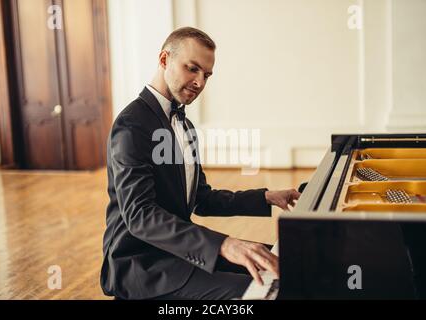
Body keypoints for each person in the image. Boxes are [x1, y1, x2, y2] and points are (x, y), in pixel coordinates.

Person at [100, 27, 301, 300]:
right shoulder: (131, 125)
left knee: (289, 266)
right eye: (192, 69)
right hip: (143, 266)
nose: (199, 82)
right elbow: (140, 216)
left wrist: (266, 197)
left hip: (179, 252)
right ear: (163, 60)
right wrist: (224, 245)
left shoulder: (185, 126)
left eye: (206, 75)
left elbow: (201, 199)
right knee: (265, 292)